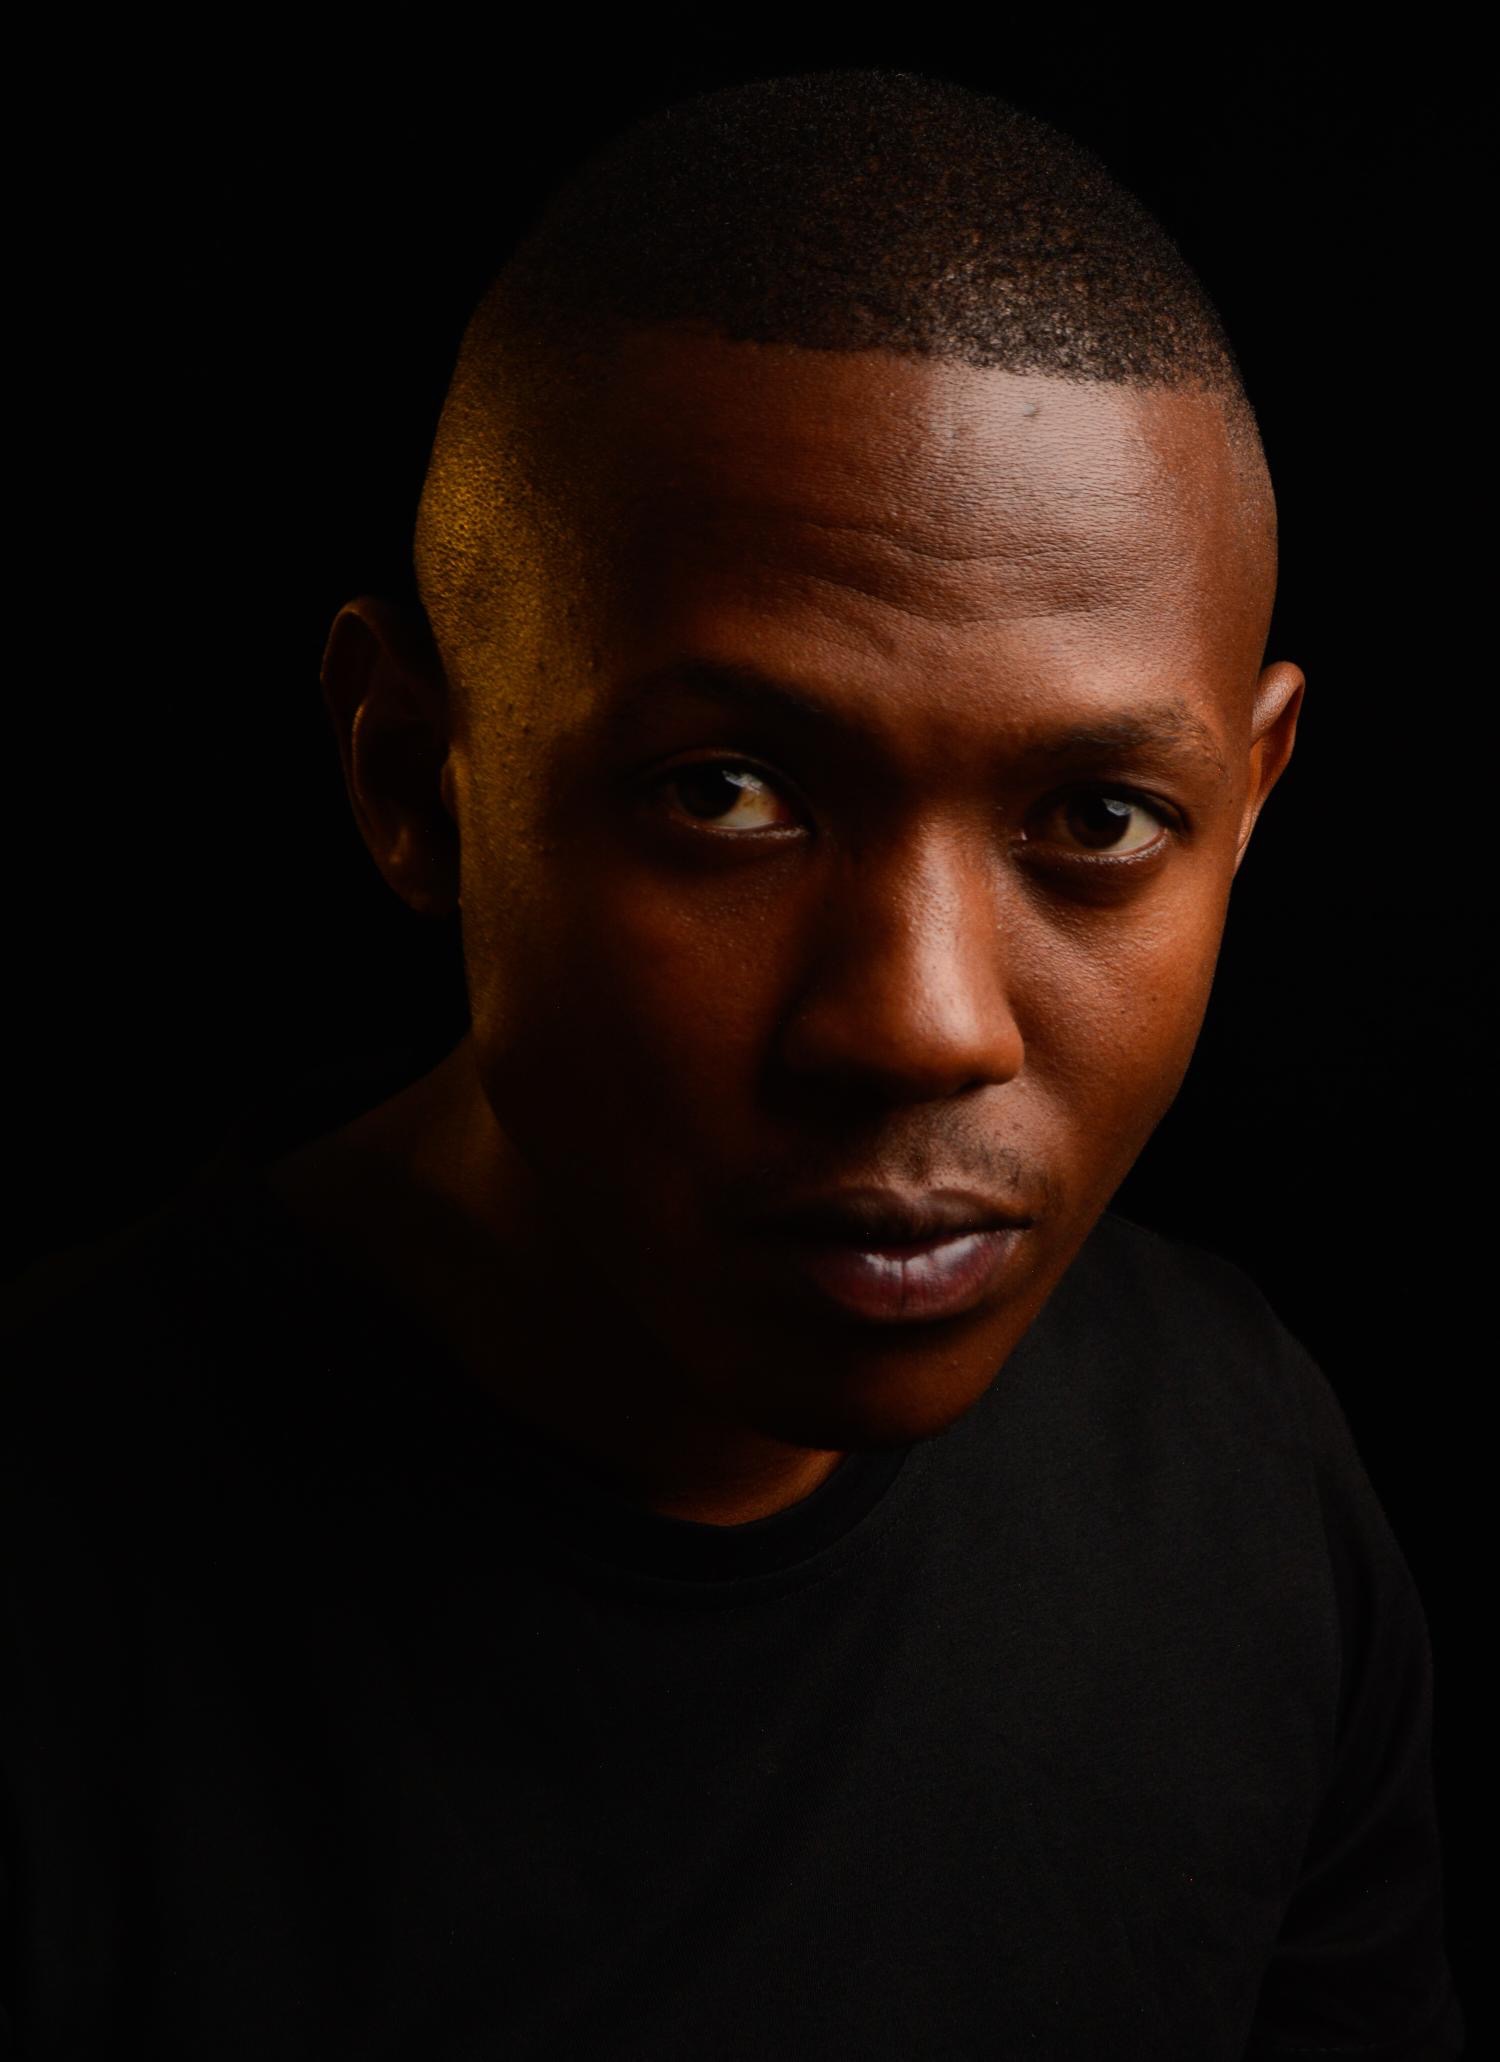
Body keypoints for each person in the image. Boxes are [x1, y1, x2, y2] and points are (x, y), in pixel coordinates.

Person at [0, 67, 1466, 2060]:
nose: (924, 1021)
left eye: (1100, 819)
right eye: (728, 793)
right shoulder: (51, 1601)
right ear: (412, 778)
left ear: (1253, 801)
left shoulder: (1242, 1473)